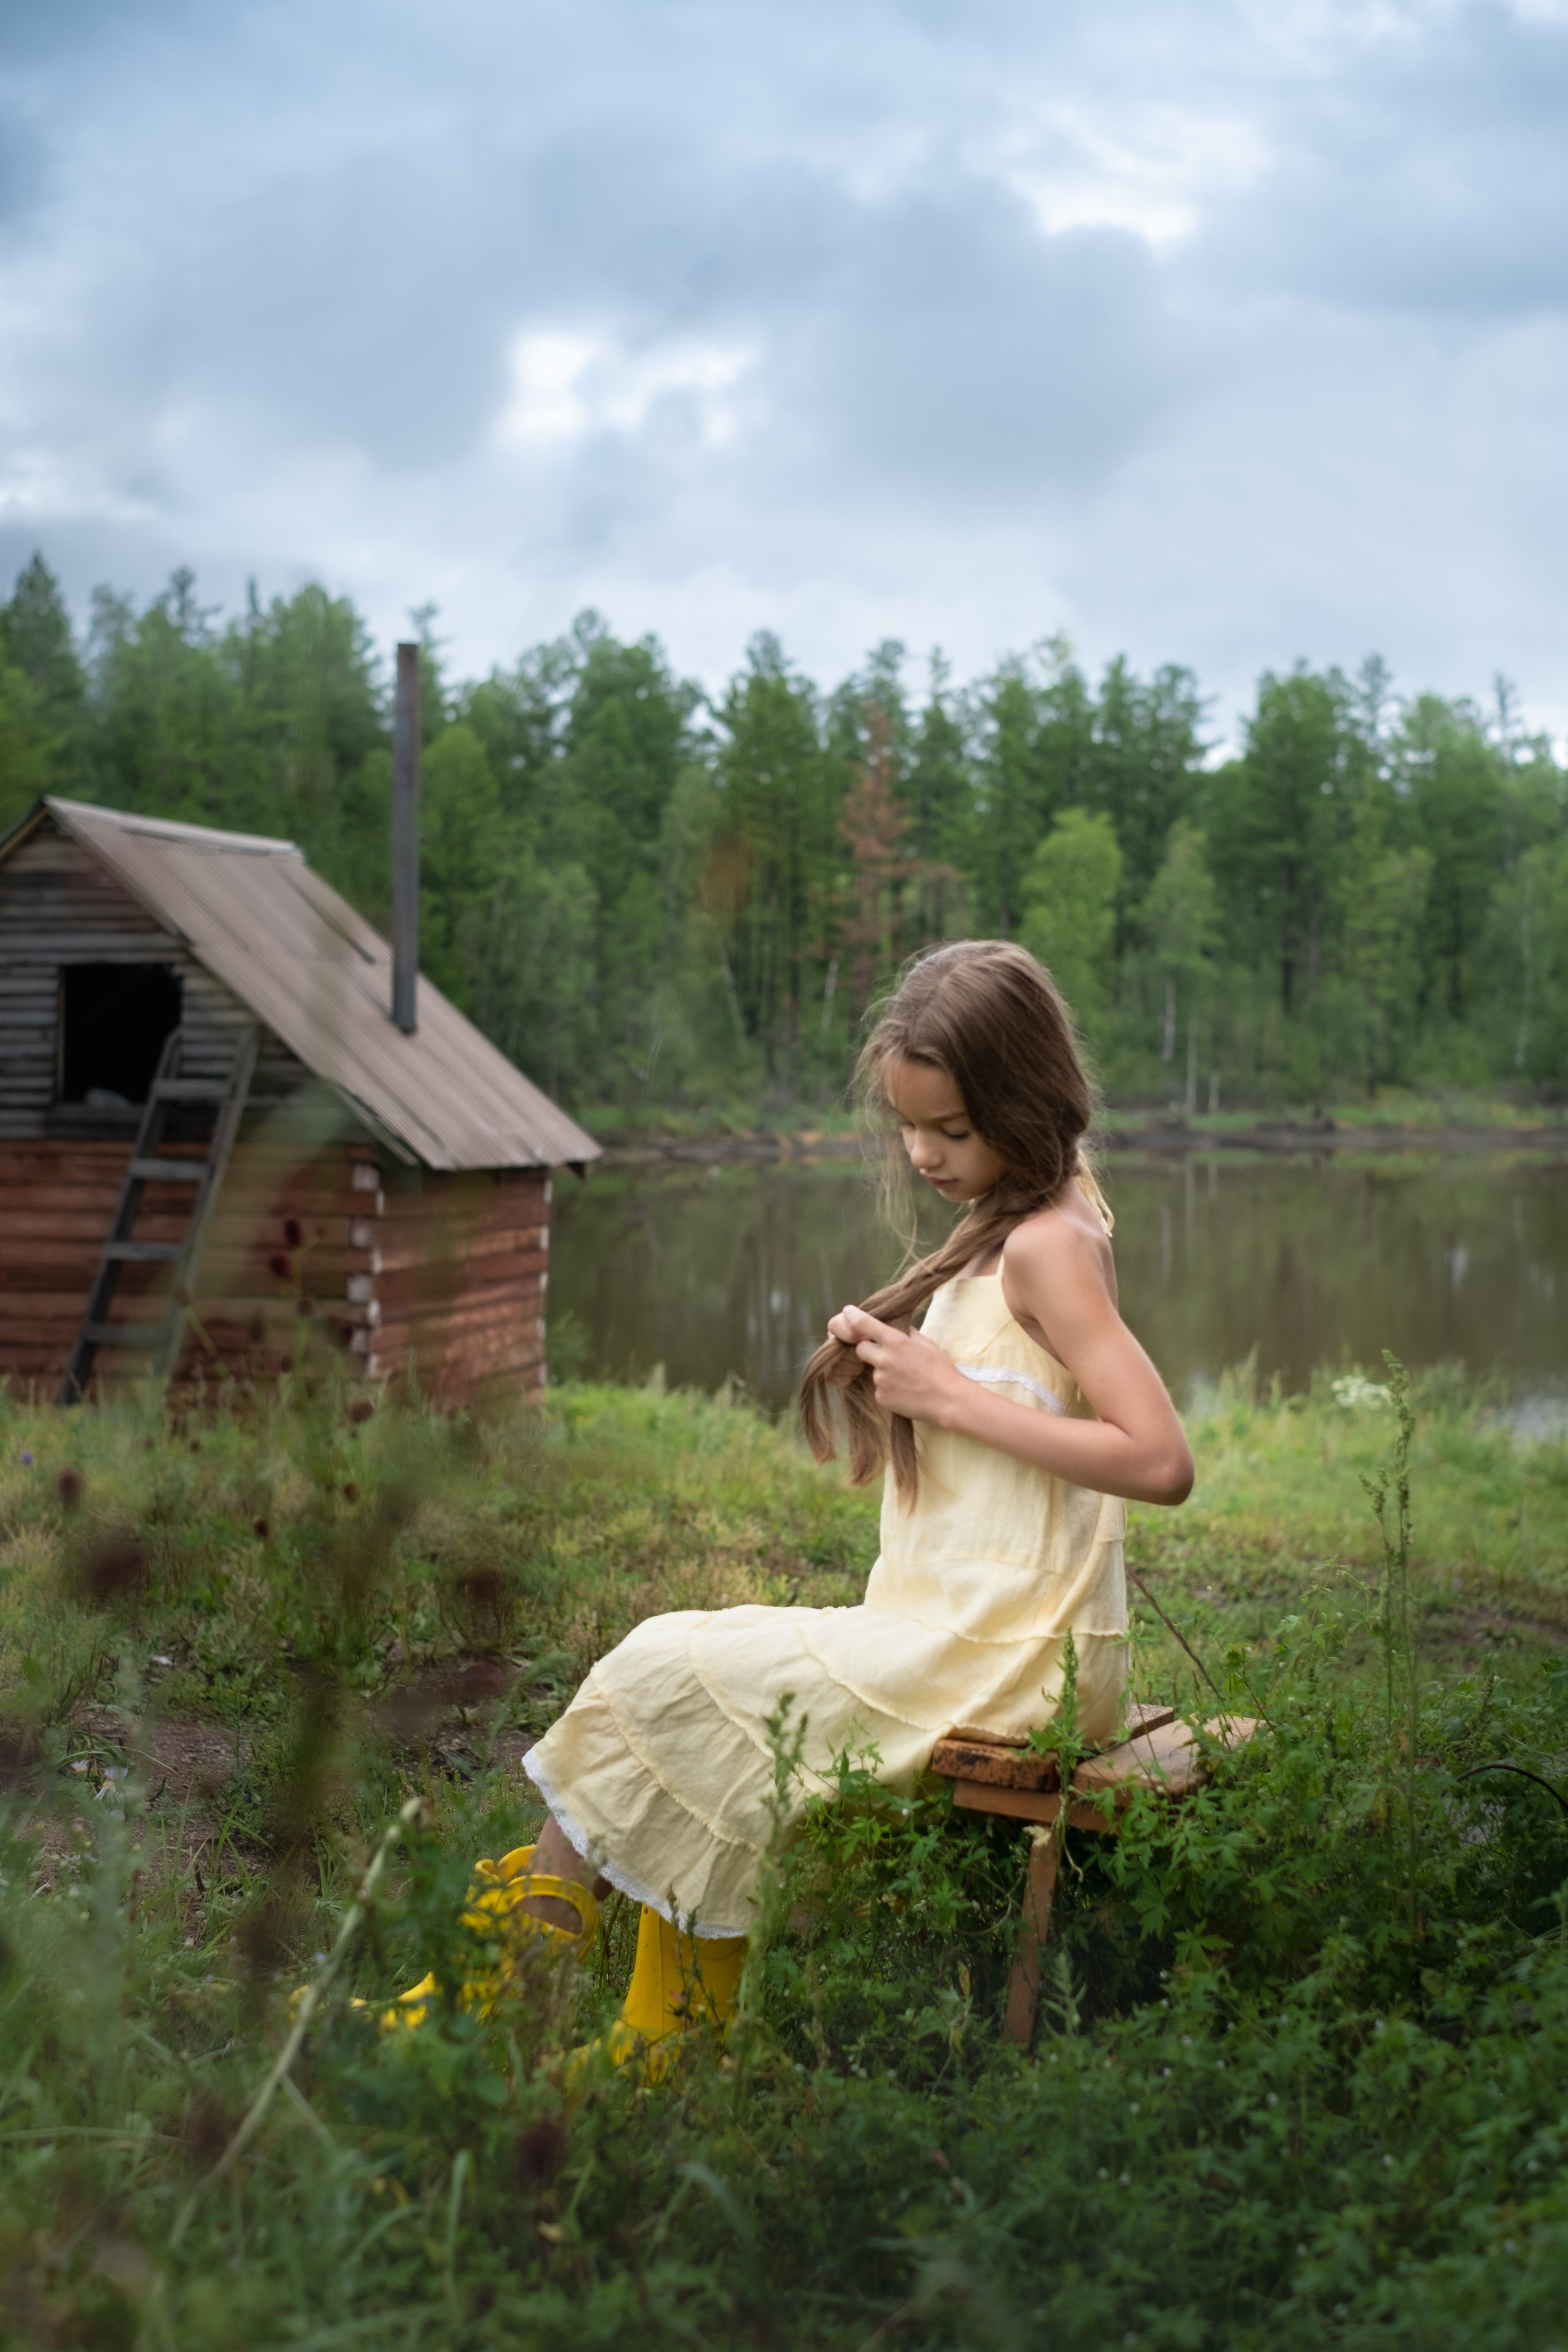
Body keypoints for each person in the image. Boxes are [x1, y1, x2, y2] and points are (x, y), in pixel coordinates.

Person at [386, 941, 1193, 2065]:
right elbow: (1024, 1420)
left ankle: (559, 2002)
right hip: (966, 1627)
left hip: (1008, 1657)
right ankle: (596, 2001)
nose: (922, 1154)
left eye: (951, 1129)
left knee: (659, 1674)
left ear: (1026, 1097)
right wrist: (906, 1382)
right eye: (910, 1127)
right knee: (670, 1658)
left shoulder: (1052, 1243)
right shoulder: (1024, 1223)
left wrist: (950, 1395)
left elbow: (1160, 1461)